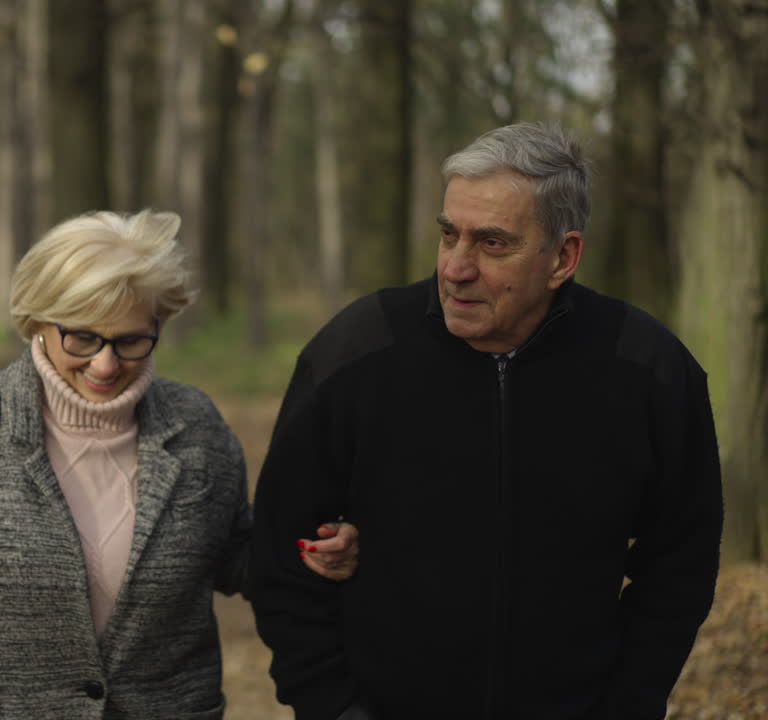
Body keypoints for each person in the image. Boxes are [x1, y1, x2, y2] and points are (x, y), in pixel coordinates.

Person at [249, 123, 723, 720]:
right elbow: (279, 551)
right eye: (449, 235)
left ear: (564, 257)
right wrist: (332, 706)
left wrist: (628, 702)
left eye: (493, 244)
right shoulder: (357, 350)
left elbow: (681, 560)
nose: (456, 268)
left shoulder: (648, 367)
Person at [0, 209, 359, 718]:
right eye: (82, 338)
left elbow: (237, 553)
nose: (106, 365)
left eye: (130, 340)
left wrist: (319, 550)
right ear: (38, 320)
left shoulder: (197, 428)